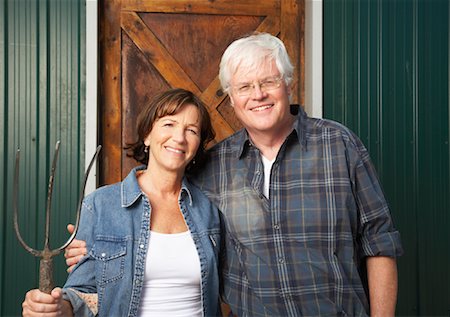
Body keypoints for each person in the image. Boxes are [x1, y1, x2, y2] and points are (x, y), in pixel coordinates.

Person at [64, 33, 404, 316]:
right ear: (231, 98)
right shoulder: (214, 166)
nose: (257, 95)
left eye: (268, 81)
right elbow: (160, 207)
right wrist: (95, 243)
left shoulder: (338, 144)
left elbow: (379, 242)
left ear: (288, 83)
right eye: (244, 87)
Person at [22, 88, 222, 317]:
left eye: (192, 130)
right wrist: (58, 308)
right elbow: (84, 293)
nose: (179, 137)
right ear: (147, 134)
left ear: (198, 145)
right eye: (169, 124)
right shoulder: (100, 206)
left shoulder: (209, 210)